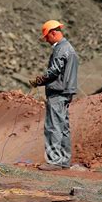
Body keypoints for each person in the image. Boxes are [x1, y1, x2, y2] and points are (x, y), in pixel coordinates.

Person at [29, 20, 81, 171]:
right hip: (66, 91)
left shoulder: (61, 49)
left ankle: (54, 161)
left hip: (58, 92)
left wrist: (40, 80)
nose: (46, 40)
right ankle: (64, 161)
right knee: (63, 127)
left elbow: (54, 71)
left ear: (53, 33)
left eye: (46, 37)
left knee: (53, 126)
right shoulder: (69, 48)